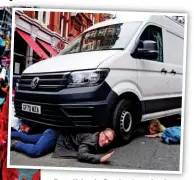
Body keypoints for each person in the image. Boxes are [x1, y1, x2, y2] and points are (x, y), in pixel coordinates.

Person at [11, 127, 115, 164]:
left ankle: (7, 133)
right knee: (35, 151)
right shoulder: (91, 140)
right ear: (101, 133)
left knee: (27, 138)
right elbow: (81, 154)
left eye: (109, 141)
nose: (106, 141)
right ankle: (15, 144)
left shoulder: (98, 139)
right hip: (55, 137)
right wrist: (99, 159)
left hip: (55, 135)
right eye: (105, 137)